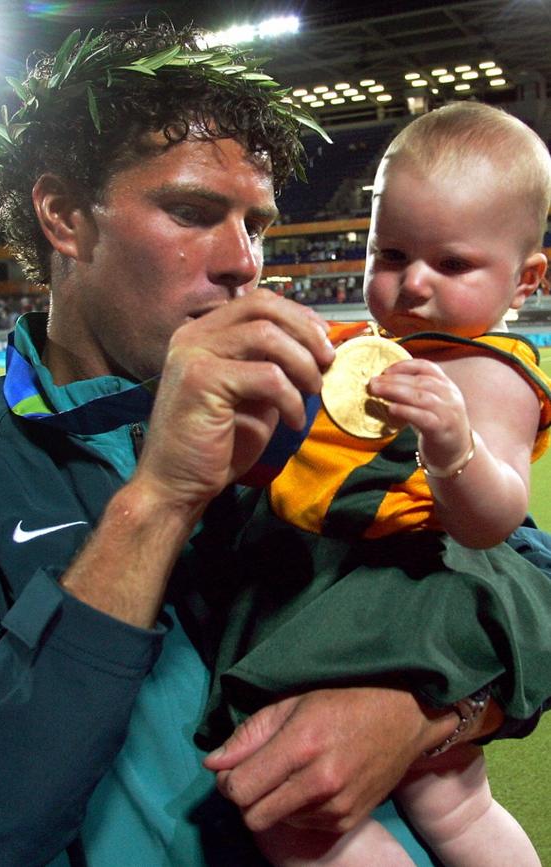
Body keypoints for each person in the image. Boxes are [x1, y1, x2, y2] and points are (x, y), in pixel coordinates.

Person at [0, 23, 545, 865]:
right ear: (63, 215)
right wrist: (161, 495)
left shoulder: (306, 403)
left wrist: (421, 709)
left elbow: (526, 569)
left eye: (258, 225)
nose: (245, 262)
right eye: (194, 212)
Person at [195, 102, 551, 866]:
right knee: (416, 802)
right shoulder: (359, 348)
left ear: (526, 279)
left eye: (451, 264)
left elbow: (496, 519)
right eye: (389, 253)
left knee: (434, 805)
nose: (412, 283)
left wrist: (451, 444)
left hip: (404, 588)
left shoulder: (489, 371)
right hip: (315, 575)